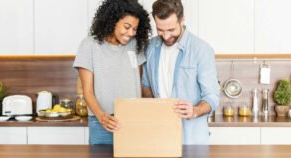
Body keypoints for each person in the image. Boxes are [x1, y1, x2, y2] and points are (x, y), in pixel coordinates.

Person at [73, 0, 151, 145]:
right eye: (127, 27)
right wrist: (102, 117)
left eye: (135, 29)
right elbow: (87, 91)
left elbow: (137, 84)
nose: (131, 33)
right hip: (101, 122)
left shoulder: (135, 45)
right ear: (112, 20)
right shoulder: (89, 45)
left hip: (132, 121)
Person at [142, 0, 219, 144]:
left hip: (191, 140)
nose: (165, 36)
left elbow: (212, 96)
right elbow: (146, 85)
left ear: (182, 19)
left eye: (171, 30)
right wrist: (153, 105)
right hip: (159, 136)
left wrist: (195, 110)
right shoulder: (151, 47)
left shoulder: (201, 50)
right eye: (160, 30)